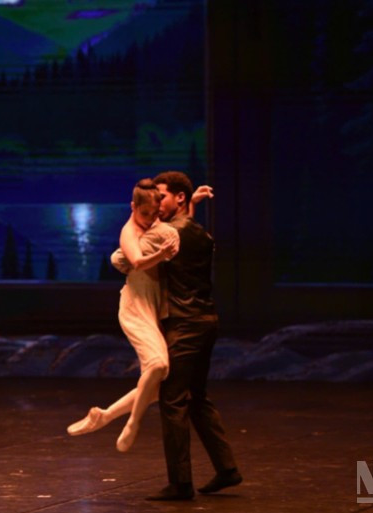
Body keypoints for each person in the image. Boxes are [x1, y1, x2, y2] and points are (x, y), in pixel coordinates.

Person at [128, 171, 242, 501]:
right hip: (206, 321)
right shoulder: (199, 233)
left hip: (185, 324)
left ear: (178, 197)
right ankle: (227, 468)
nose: (154, 203)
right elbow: (182, 228)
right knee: (197, 397)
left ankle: (180, 483)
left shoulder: (166, 233)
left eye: (160, 196)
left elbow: (129, 257)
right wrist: (191, 205)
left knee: (173, 399)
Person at [66, 178, 179, 452]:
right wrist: (163, 254)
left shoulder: (153, 227)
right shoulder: (129, 232)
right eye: (144, 214)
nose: (150, 219)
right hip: (135, 307)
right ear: (133, 207)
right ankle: (133, 423)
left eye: (154, 214)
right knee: (158, 366)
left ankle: (103, 416)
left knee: (155, 387)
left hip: (153, 307)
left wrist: (193, 201)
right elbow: (138, 261)